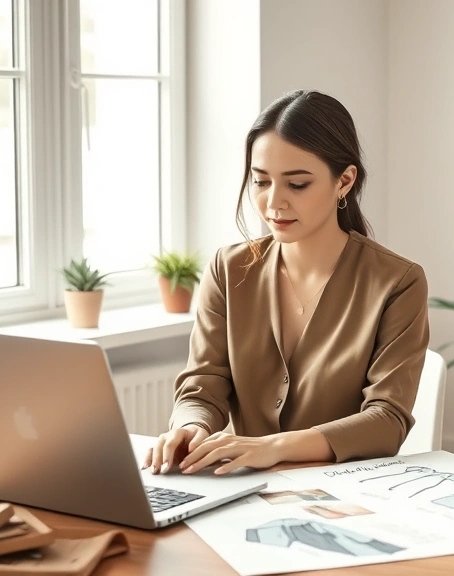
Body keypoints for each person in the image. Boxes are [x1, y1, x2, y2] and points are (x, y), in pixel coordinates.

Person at [144, 89, 430, 476]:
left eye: (297, 185)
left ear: (344, 181)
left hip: (351, 496)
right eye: (261, 182)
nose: (274, 203)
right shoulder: (229, 269)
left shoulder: (397, 282)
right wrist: (190, 427)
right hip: (244, 489)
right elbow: (204, 383)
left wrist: (274, 447)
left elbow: (387, 419)